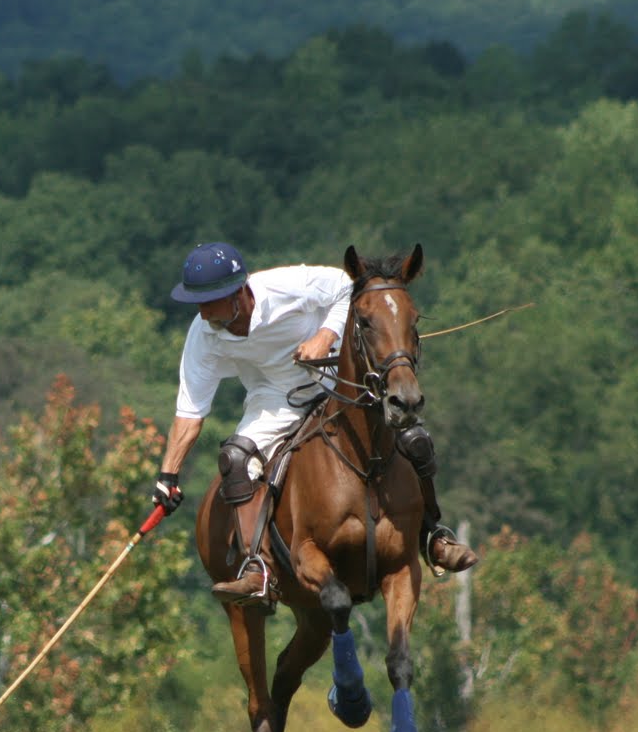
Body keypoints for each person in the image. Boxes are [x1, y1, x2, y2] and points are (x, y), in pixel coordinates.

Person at [151, 242, 477, 607]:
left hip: (340, 378)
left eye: (209, 300)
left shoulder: (283, 286)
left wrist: (325, 337)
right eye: (197, 301)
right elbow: (190, 411)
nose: (202, 310)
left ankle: (432, 535)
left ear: (239, 291)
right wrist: (168, 476)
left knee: (415, 439)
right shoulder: (203, 335)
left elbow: (343, 285)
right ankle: (259, 567)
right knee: (236, 459)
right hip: (273, 398)